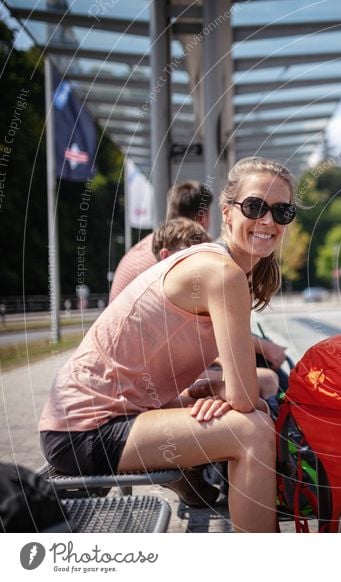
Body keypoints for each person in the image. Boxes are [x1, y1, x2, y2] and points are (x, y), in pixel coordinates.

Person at [39, 157, 299, 532]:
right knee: (253, 431)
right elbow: (243, 397)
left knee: (253, 410)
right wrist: (233, 396)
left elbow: (234, 388)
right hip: (82, 432)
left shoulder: (220, 266)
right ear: (227, 214)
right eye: (255, 206)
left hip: (112, 416)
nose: (268, 220)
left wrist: (221, 392)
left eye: (282, 211)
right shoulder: (221, 274)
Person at [112, 181, 287, 369]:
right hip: (142, 366)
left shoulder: (148, 246)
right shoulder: (187, 252)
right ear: (204, 217)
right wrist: (263, 346)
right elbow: (218, 331)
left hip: (127, 354)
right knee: (266, 376)